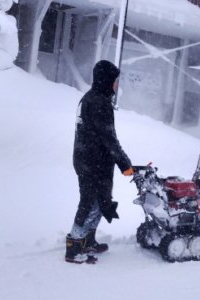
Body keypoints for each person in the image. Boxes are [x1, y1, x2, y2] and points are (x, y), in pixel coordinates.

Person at [65, 60, 134, 264]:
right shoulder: (98, 103)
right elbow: (109, 138)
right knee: (88, 202)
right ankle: (73, 246)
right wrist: (126, 165)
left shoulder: (91, 98)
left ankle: (88, 240)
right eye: (115, 80)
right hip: (91, 162)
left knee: (100, 201)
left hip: (91, 160)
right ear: (106, 80)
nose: (116, 85)